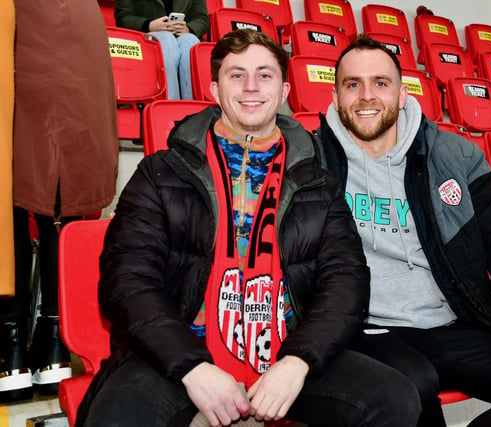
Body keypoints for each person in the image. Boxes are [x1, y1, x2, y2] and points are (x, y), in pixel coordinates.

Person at [76, 29, 421, 427]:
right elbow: (127, 281)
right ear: (214, 88)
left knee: (394, 400)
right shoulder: (161, 173)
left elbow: (347, 281)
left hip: (286, 353)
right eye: (236, 75)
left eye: (265, 75)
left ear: (285, 89)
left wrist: (298, 360)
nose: (251, 87)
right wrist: (192, 368)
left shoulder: (317, 180)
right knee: (117, 418)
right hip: (183, 351)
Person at [315, 34, 491, 427]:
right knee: (414, 388)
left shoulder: (455, 157)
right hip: (367, 327)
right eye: (353, 84)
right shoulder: (314, 161)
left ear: (402, 95)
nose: (366, 96)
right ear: (336, 98)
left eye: (380, 83)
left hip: (448, 322)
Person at [0, 0, 119, 403]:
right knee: (59, 197)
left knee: (12, 186)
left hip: (17, 27)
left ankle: (9, 348)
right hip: (79, 33)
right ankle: (53, 345)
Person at [115, 0, 209, 100]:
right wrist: (149, 25)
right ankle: (170, 104)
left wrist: (188, 29)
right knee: (166, 40)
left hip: (182, 35)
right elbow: (123, 18)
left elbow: (202, 18)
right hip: (147, 36)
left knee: (190, 40)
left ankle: (194, 107)